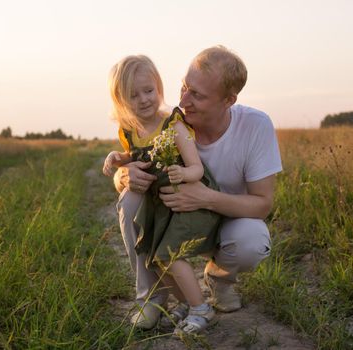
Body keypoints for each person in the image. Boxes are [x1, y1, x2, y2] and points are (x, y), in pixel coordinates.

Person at [113, 45, 282, 330]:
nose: (184, 100)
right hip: (175, 218)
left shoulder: (255, 125)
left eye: (197, 95)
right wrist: (122, 174)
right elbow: (135, 160)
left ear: (228, 100)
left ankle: (219, 279)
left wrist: (204, 198)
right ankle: (153, 297)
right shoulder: (167, 123)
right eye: (183, 87)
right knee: (130, 202)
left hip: (226, 222)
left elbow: (263, 204)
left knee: (251, 240)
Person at [103, 55, 221, 335]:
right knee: (154, 255)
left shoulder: (172, 124)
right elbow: (135, 157)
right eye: (133, 95)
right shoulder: (130, 129)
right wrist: (116, 158)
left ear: (159, 87)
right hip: (159, 203)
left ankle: (201, 308)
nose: (143, 99)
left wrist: (183, 175)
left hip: (187, 199)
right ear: (120, 100)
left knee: (169, 253)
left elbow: (196, 167)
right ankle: (184, 303)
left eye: (149, 90)